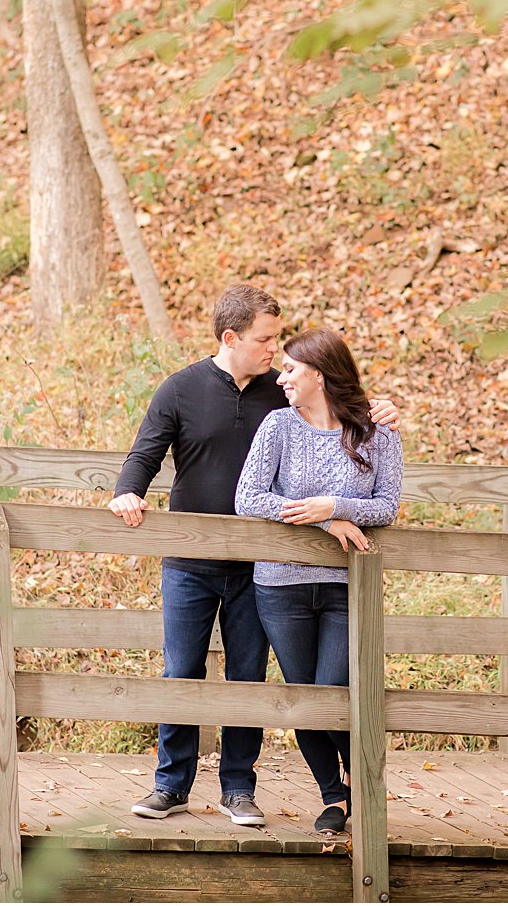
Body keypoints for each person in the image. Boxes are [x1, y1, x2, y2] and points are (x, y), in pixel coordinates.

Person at [110, 286, 398, 827]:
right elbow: (145, 451)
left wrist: (380, 408)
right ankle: (170, 785)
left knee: (249, 674)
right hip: (190, 559)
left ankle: (239, 788)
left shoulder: (281, 391)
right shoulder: (182, 389)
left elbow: (337, 409)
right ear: (231, 338)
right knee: (181, 671)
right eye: (265, 340)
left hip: (264, 567)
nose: (274, 351)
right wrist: (129, 491)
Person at [234, 327, 403, 835]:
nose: (281, 378)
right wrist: (324, 521)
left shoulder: (377, 432)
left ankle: (362, 781)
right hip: (280, 584)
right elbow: (248, 498)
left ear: (320, 376)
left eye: (290, 369)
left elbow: (387, 507)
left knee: (333, 689)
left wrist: (338, 505)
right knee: (305, 697)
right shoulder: (278, 426)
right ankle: (337, 797)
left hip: (345, 585)